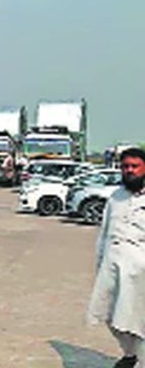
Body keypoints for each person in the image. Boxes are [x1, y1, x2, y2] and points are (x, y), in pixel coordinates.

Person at [87, 148, 145, 368]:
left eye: (134, 166)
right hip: (111, 265)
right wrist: (100, 262)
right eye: (125, 166)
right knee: (109, 315)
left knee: (136, 319)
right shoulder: (115, 197)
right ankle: (130, 354)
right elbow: (104, 233)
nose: (129, 170)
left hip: (140, 272)